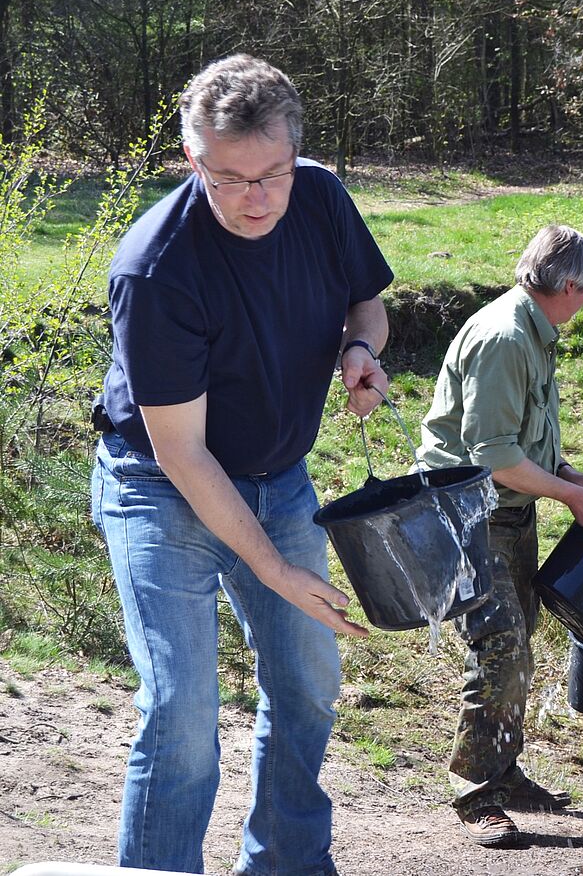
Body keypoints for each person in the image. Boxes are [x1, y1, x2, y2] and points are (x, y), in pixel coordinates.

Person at [90, 54, 393, 875]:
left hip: (279, 477)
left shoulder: (321, 196)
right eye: (228, 179)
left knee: (306, 688)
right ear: (193, 159)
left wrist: (359, 348)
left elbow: (367, 298)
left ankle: (286, 865)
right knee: (183, 714)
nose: (256, 199)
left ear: (296, 153)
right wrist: (269, 566)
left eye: (273, 175)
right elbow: (180, 452)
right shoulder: (155, 268)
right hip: (159, 488)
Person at [417, 224, 583, 847]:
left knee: (519, 640)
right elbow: (495, 456)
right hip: (469, 514)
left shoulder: (535, 332)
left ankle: (503, 772)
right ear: (567, 284)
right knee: (501, 647)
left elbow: (522, 440)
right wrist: (573, 498)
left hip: (509, 511)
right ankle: (476, 793)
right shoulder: (506, 337)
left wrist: (563, 472)